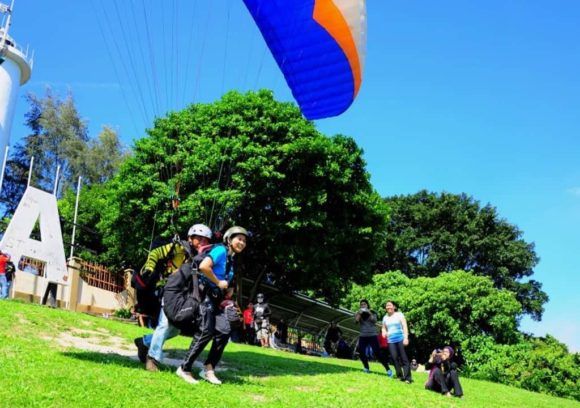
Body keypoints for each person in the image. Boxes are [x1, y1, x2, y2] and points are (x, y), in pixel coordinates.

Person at [133, 224, 213, 371]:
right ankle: (152, 359)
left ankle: (144, 341)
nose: (202, 242)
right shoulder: (178, 248)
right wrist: (150, 268)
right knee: (165, 324)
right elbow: (155, 253)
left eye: (206, 240)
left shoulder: (203, 257)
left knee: (176, 328)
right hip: (170, 290)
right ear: (190, 238)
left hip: (185, 295)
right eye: (199, 238)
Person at [177, 226, 248, 385]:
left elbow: (224, 279)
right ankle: (184, 368)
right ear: (229, 239)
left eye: (244, 240)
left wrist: (228, 288)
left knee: (224, 331)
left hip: (217, 300)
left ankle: (208, 369)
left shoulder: (231, 258)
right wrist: (218, 282)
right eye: (239, 239)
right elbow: (204, 267)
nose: (242, 243)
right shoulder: (221, 250)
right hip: (205, 296)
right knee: (206, 332)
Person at [355, 299, 391, 375]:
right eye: (361, 304)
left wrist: (369, 312)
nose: (363, 306)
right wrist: (359, 313)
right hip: (363, 336)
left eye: (364, 304)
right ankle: (366, 367)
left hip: (372, 335)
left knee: (377, 353)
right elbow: (356, 321)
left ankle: (388, 369)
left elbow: (374, 321)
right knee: (361, 351)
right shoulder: (358, 313)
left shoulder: (373, 312)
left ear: (367, 305)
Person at [382, 300, 412, 383]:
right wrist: (384, 333)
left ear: (394, 307)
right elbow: (383, 328)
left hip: (400, 339)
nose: (388, 307)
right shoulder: (385, 317)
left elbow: (405, 326)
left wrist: (406, 338)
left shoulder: (399, 315)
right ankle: (400, 376)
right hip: (390, 340)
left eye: (390, 305)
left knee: (404, 358)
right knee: (394, 358)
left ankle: (408, 378)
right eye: (387, 306)